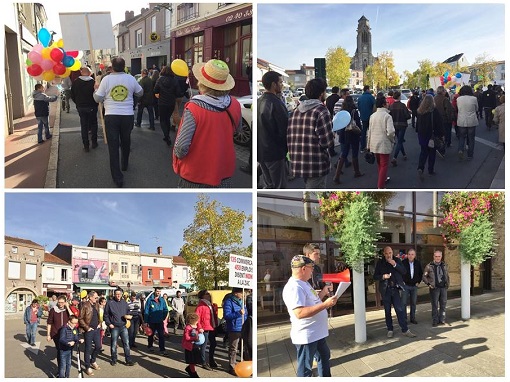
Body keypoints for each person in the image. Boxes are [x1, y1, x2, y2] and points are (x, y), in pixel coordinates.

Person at [173, 59, 242, 188]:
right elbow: (238, 130)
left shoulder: (194, 108)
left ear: (202, 83)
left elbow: (181, 148)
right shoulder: (235, 104)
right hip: (223, 169)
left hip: (195, 174)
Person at [282, 255, 338, 377]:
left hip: (316, 333)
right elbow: (299, 313)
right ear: (303, 269)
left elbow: (313, 301)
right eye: (311, 267)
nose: (313, 270)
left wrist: (324, 292)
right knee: (306, 368)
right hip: (307, 336)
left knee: (324, 357)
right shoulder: (294, 287)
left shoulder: (304, 283)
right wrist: (325, 305)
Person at [93, 57, 143, 188]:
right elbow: (140, 93)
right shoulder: (131, 78)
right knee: (126, 140)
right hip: (127, 115)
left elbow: (98, 98)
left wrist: (95, 90)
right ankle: (124, 164)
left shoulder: (106, 79)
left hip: (111, 116)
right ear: (124, 66)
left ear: (112, 67)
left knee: (113, 146)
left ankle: (117, 177)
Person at [287, 78, 335, 188]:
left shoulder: (296, 111)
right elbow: (326, 142)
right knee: (315, 198)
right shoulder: (321, 111)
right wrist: (332, 135)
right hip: (316, 163)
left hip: (298, 161)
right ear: (322, 93)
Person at [373, 246, 416, 339]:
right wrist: (383, 276)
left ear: (392, 253)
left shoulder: (397, 260)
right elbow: (375, 276)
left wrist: (395, 264)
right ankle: (390, 329)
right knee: (387, 311)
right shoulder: (380, 263)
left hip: (395, 289)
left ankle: (405, 330)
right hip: (385, 290)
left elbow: (404, 271)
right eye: (387, 253)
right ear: (384, 254)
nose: (389, 255)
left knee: (399, 310)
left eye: (390, 253)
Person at [257, 70, 289, 189]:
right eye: (280, 82)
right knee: (279, 186)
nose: (282, 85)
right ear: (273, 84)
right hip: (274, 153)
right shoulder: (276, 103)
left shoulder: (259, 101)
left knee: (269, 184)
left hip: (261, 152)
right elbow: (284, 130)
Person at [333, 95, 364, 183]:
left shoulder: (342, 111)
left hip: (343, 134)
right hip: (353, 134)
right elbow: (358, 123)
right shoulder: (354, 111)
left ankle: (337, 175)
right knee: (354, 153)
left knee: (343, 154)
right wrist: (360, 132)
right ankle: (357, 172)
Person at [367, 96, 395, 189]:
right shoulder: (387, 116)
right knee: (384, 164)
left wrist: (368, 144)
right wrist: (392, 140)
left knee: (379, 163)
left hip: (374, 143)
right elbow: (390, 132)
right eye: (386, 102)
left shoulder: (372, 116)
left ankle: (383, 179)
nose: (388, 104)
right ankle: (380, 186)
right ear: (384, 104)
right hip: (384, 143)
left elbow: (369, 131)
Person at [104, 288, 136, 366]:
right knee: (114, 344)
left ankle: (128, 360)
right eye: (117, 294)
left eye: (119, 294)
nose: (118, 296)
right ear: (114, 295)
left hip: (123, 326)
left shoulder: (124, 302)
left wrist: (129, 316)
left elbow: (128, 311)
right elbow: (105, 315)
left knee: (126, 343)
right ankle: (114, 359)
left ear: (121, 294)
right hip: (114, 326)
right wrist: (109, 324)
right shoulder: (110, 303)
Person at [71, 66, 99, 152]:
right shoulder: (94, 82)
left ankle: (86, 145)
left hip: (81, 107)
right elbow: (97, 95)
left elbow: (73, 95)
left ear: (81, 72)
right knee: (94, 124)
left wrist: (78, 103)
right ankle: (94, 142)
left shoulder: (76, 82)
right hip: (92, 106)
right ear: (90, 73)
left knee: (84, 126)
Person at [415, 94, 443, 179]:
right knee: (432, 153)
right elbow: (439, 124)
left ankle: (420, 167)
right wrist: (441, 134)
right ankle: (430, 170)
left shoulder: (420, 111)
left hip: (421, 135)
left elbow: (417, 124)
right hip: (431, 135)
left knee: (423, 152)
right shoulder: (434, 111)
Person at [223, 287, 248, 376]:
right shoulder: (229, 302)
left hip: (243, 327)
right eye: (242, 293)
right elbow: (227, 315)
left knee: (244, 347)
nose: (243, 294)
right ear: (236, 293)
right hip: (234, 328)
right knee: (233, 348)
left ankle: (243, 364)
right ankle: (232, 366)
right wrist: (238, 313)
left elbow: (246, 314)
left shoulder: (242, 302)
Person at [423, 250, 450, 326]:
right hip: (434, 289)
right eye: (436, 256)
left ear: (441, 257)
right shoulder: (429, 266)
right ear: (433, 257)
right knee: (435, 305)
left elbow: (447, 275)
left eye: (439, 256)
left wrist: (448, 284)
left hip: (443, 288)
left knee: (443, 305)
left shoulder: (444, 265)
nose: (438, 258)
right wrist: (429, 284)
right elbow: (424, 277)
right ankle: (435, 320)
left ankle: (442, 320)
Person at [78, 291, 102, 375]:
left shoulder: (96, 305)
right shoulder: (85, 305)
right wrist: (87, 328)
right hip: (89, 330)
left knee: (98, 346)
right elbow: (80, 318)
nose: (97, 299)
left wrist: (99, 323)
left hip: (97, 329)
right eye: (95, 297)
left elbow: (98, 315)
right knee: (88, 349)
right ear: (90, 297)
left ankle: (93, 360)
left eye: (97, 297)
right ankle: (87, 367)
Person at [154, 65, 179, 145]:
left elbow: (155, 90)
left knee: (162, 120)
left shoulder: (160, 79)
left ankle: (166, 135)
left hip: (162, 102)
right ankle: (167, 135)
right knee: (167, 118)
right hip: (171, 102)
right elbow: (178, 92)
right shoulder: (174, 80)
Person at [47, 295, 73, 372]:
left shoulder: (67, 310)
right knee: (60, 351)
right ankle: (60, 370)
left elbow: (73, 317)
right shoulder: (53, 310)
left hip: (67, 334)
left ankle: (65, 370)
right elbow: (49, 322)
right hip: (56, 334)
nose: (60, 304)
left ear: (65, 302)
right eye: (59, 302)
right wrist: (48, 334)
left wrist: (68, 307)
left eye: (62, 302)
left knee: (68, 351)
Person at [195, 290, 219, 370]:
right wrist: (199, 327)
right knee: (203, 346)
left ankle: (211, 360)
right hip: (204, 328)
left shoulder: (210, 304)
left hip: (211, 327)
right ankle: (203, 362)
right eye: (207, 294)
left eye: (209, 293)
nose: (209, 295)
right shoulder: (200, 306)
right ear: (202, 296)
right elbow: (197, 318)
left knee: (213, 343)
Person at [143, 286, 169, 355]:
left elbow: (165, 309)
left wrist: (163, 317)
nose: (158, 293)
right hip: (151, 321)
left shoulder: (162, 300)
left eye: (159, 291)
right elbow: (146, 311)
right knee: (151, 335)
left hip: (160, 321)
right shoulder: (150, 300)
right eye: (157, 291)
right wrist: (146, 321)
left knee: (161, 336)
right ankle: (150, 346)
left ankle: (162, 349)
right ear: (155, 291)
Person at [456, 85, 479, 161]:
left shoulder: (458, 99)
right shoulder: (474, 99)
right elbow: (476, 108)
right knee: (471, 138)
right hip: (471, 120)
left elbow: (458, 108)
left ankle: (460, 149)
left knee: (462, 137)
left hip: (462, 120)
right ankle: (470, 154)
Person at [389, 91, 411, 166]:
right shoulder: (402, 106)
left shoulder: (391, 106)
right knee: (400, 141)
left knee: (399, 140)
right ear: (399, 97)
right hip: (402, 125)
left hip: (394, 125)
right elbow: (407, 116)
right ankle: (395, 157)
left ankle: (404, 154)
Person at [401, 249, 423, 324]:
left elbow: (421, 273)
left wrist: (418, 282)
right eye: (409, 254)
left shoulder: (417, 263)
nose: (410, 256)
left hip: (414, 286)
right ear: (407, 255)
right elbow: (399, 273)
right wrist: (402, 282)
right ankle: (404, 319)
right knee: (403, 303)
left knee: (413, 303)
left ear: (415, 255)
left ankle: (412, 318)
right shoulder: (403, 263)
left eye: (412, 254)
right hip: (405, 286)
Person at [182, 313, 203, 378]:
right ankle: (194, 374)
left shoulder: (195, 326)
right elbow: (187, 338)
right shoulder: (188, 328)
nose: (197, 322)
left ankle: (189, 368)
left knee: (196, 360)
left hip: (195, 346)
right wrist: (194, 338)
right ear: (193, 321)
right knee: (192, 361)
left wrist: (200, 331)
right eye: (197, 321)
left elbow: (197, 331)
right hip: (190, 347)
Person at [358, 85, 376, 152]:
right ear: (367, 89)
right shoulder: (371, 97)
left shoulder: (360, 98)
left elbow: (359, 108)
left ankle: (363, 147)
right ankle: (371, 146)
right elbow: (374, 106)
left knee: (363, 132)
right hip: (371, 117)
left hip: (363, 117)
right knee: (371, 132)